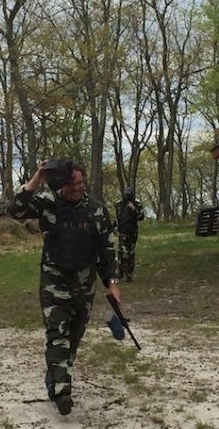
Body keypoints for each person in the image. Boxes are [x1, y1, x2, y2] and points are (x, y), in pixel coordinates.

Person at [9, 159, 120, 415]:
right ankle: (62, 392)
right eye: (72, 184)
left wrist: (112, 283)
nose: (78, 188)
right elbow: (16, 210)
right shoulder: (47, 202)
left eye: (81, 183)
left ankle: (55, 377)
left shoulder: (97, 211)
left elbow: (107, 250)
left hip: (84, 282)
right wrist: (37, 178)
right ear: (61, 185)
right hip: (54, 279)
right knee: (57, 332)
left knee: (73, 336)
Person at [115, 187, 145, 282]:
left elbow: (141, 217)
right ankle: (120, 273)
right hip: (123, 231)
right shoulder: (119, 205)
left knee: (130, 254)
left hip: (132, 232)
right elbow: (118, 217)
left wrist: (134, 209)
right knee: (122, 253)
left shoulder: (137, 204)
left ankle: (128, 275)